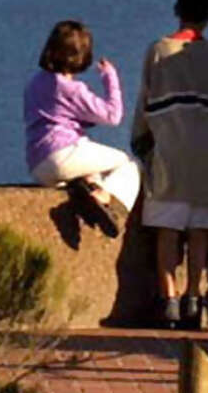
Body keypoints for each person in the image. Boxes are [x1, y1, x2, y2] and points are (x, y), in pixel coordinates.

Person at [132, 0, 208, 329]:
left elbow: (146, 105)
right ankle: (194, 297)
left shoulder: (159, 51)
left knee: (168, 229)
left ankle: (169, 299)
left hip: (171, 155)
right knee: (200, 232)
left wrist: (141, 144)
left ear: (177, 7)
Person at [24, 20, 138, 235]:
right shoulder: (72, 89)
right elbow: (113, 116)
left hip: (38, 166)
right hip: (62, 155)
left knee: (91, 173)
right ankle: (107, 199)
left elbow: (54, 114)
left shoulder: (35, 83)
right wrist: (110, 78)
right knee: (126, 163)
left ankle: (89, 189)